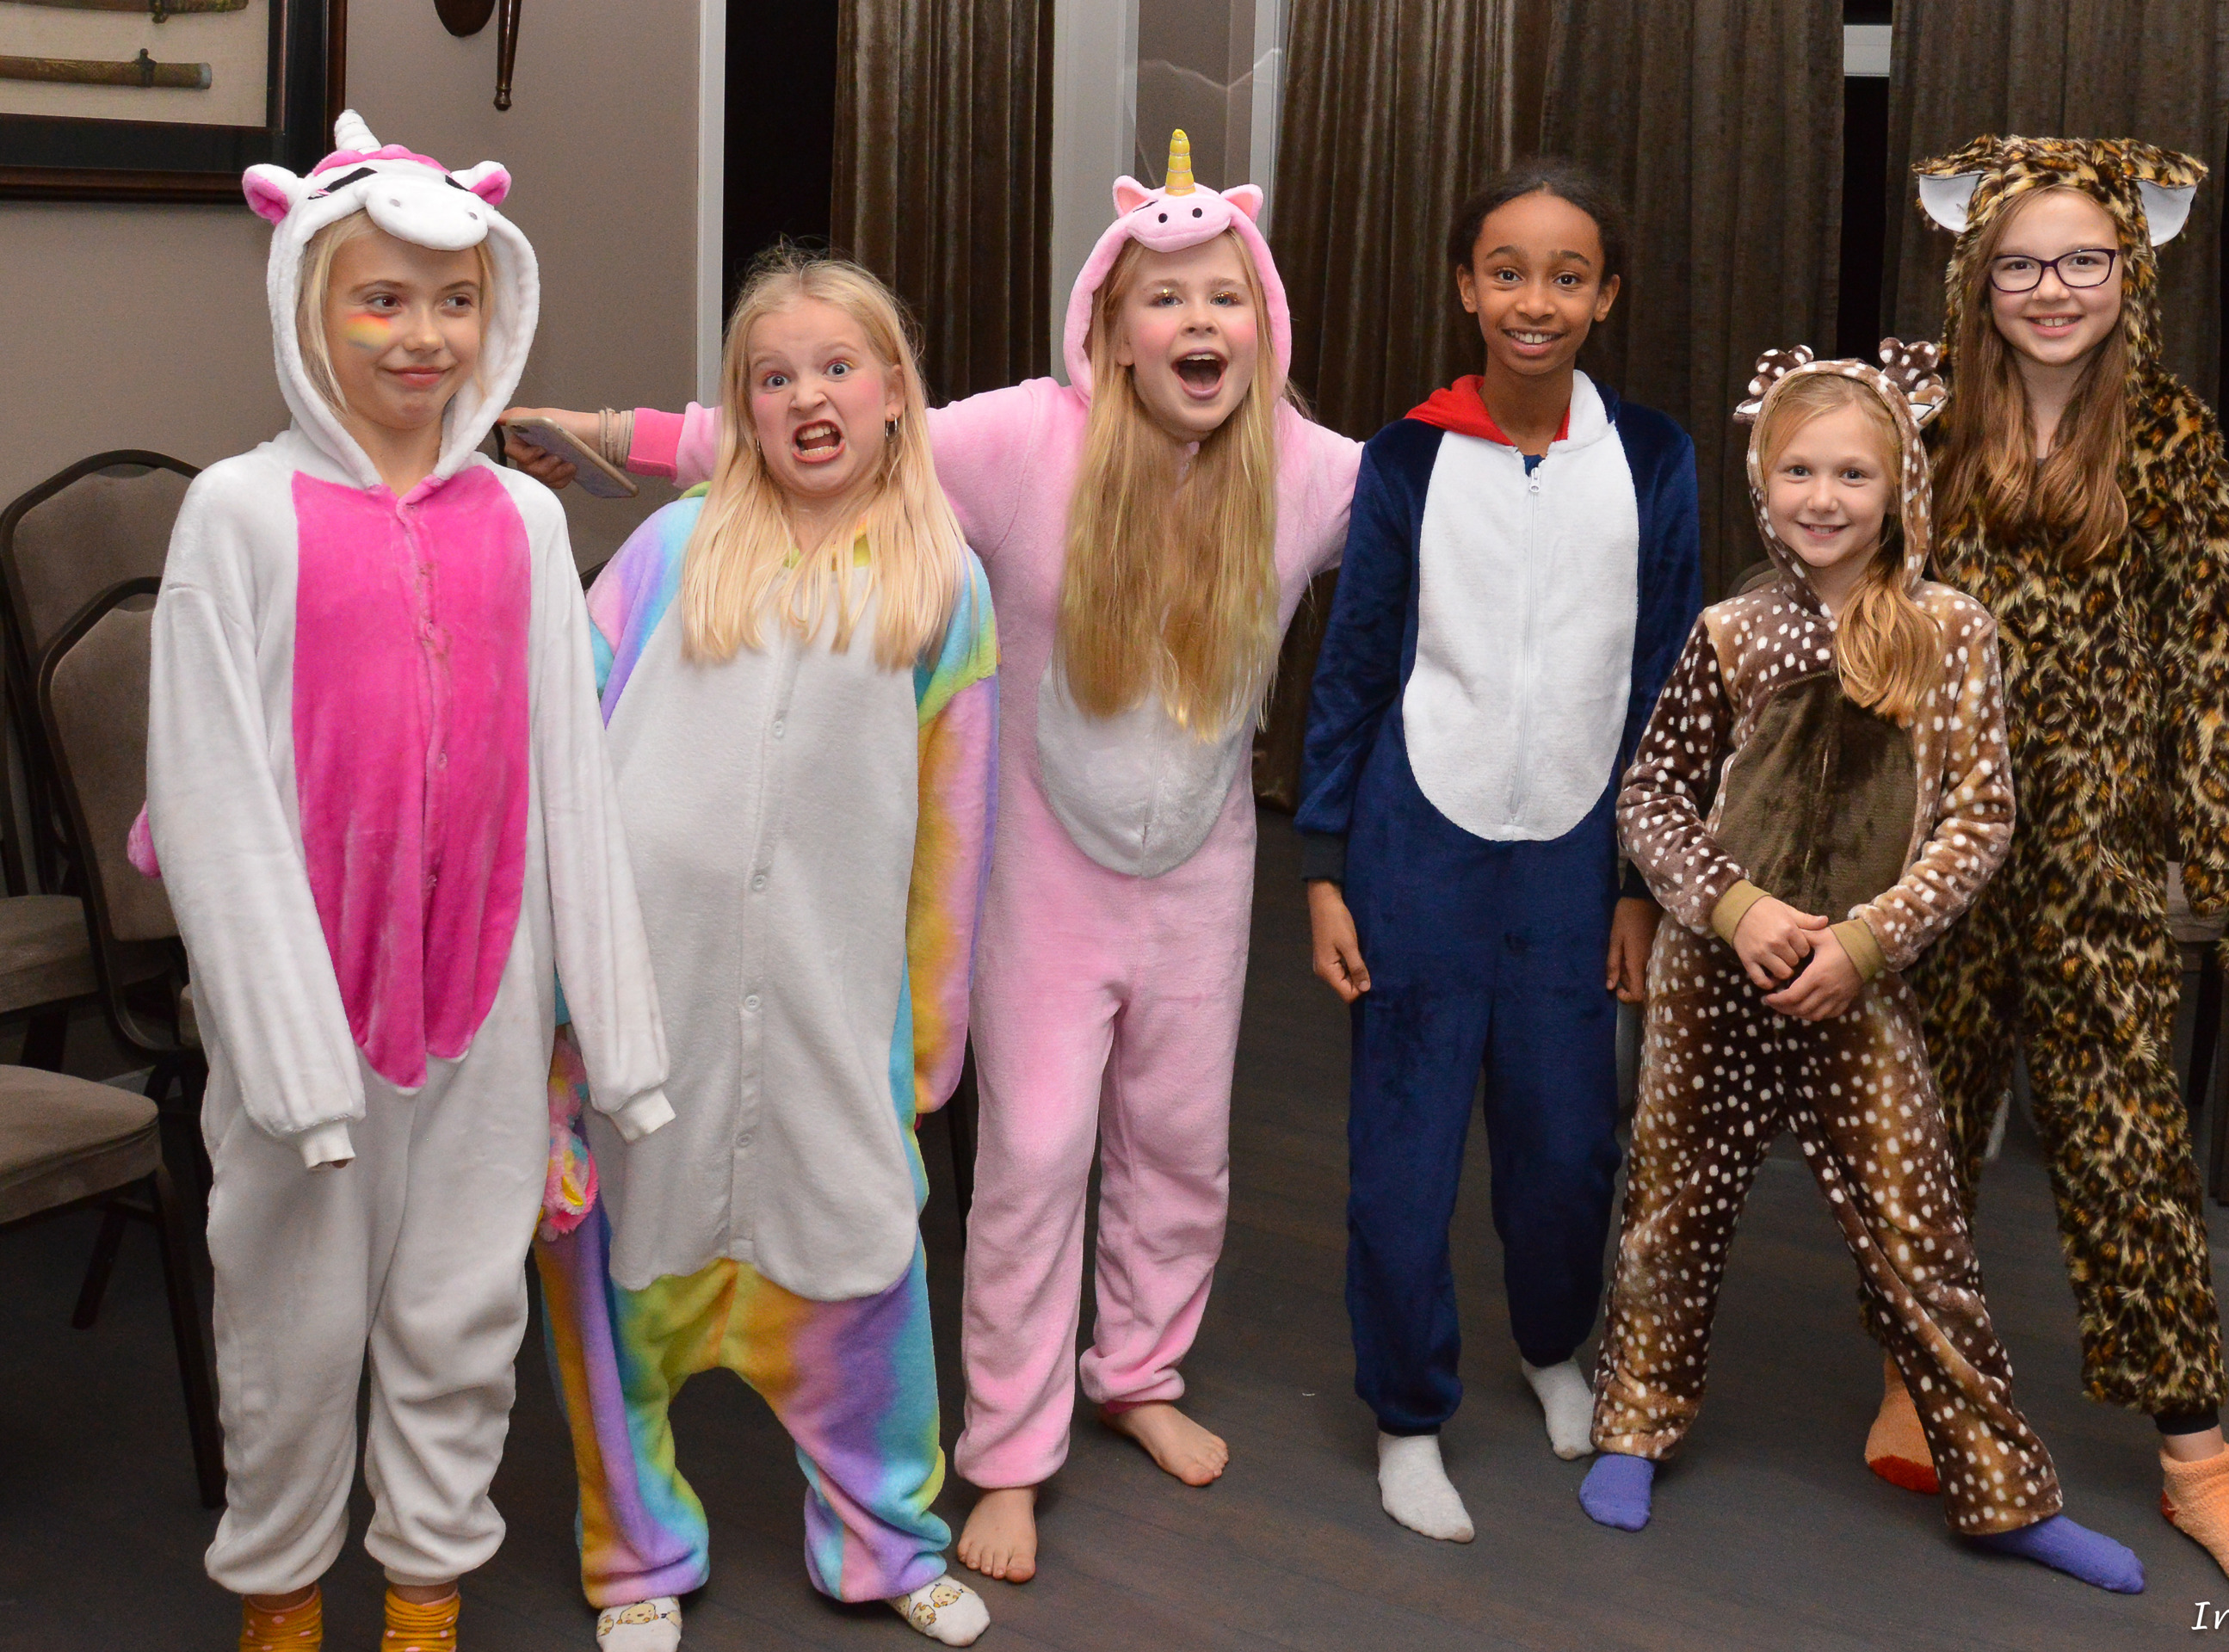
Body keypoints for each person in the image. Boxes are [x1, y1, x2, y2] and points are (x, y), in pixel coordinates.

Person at [503, 131, 1362, 1584]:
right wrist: (608, 432)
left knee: (1181, 1146)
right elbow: (813, 421)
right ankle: (1010, 1452)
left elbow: (1444, 515)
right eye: (1164, 298)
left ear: (1263, 324)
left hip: (1205, 872)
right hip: (1042, 870)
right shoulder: (1026, 441)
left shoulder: (1314, 472)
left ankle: (1138, 1374)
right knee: (1034, 1155)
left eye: (1226, 297)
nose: (1197, 322)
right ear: (1110, 328)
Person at [141, 112, 671, 1652]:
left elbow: (572, 777)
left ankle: (426, 1600)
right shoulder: (237, 514)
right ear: (310, 305)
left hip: (487, 1000)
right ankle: (285, 1601)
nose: (424, 336)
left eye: (455, 301)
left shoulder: (527, 519)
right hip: (303, 1004)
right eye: (382, 300)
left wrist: (619, 1037)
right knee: (291, 1327)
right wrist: (286, 1057)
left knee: (461, 1312)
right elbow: (211, 793)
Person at [1573, 342, 2142, 1593]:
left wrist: (1866, 943)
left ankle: (2004, 1495)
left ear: (1899, 489)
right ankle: (1634, 1425)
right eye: (1797, 472)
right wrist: (1733, 912)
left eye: (1851, 474)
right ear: (1761, 482)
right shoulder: (1731, 634)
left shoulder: (1951, 633)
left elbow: (1980, 821)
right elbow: (1653, 799)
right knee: (1669, 1210)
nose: (1821, 497)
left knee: (1919, 1236)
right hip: (1714, 979)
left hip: (1860, 986)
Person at [1868, 136, 2229, 1612]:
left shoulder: (2173, 435)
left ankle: (2198, 1460)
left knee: (2130, 1147)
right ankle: (1914, 1374)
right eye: (2019, 264)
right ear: (1974, 276)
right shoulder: (1925, 421)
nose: (2051, 289)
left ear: (2131, 270)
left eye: (2082, 261)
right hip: (1937, 847)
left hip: (2099, 855)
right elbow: (1848, 597)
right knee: (1919, 1125)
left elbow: (2213, 650)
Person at [530, 250, 997, 1650]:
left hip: (827, 1012)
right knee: (621, 1290)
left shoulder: (942, 585)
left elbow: (955, 833)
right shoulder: (673, 551)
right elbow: (563, 746)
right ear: (742, 408)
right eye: (773, 377)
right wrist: (552, 1004)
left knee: (864, 1272)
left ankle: (886, 1539)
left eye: (837, 367)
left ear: (897, 392)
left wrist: (930, 1044)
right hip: (645, 1006)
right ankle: (636, 1555)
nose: (807, 397)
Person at [1290, 160, 1701, 1542]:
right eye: (1508, 271)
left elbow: (1669, 682)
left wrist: (1643, 885)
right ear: (1467, 287)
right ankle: (1409, 1417)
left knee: (1567, 1150)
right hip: (1418, 845)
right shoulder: (1407, 457)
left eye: (1567, 275)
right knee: (1403, 1161)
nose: (1536, 300)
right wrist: (1326, 866)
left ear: (1606, 295)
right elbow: (1355, 665)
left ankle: (1548, 1346)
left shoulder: (1654, 458)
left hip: (1576, 858)